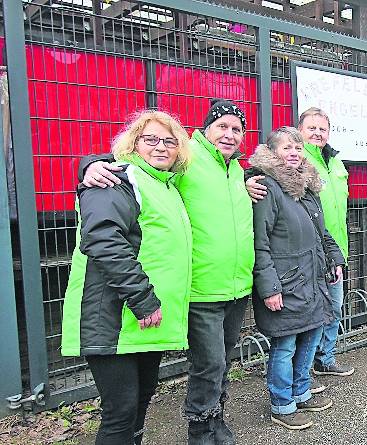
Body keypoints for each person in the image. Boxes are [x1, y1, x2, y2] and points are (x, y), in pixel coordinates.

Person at [80, 99, 254, 444]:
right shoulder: (187, 161)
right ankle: (201, 428)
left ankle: (216, 420)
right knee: (208, 366)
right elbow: (128, 170)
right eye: (222, 126)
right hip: (201, 288)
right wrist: (91, 164)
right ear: (204, 130)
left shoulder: (236, 171)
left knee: (219, 366)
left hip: (235, 285)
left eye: (237, 129)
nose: (229, 134)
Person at [61, 110, 192, 445]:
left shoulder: (165, 185)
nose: (161, 147)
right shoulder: (116, 180)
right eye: (151, 139)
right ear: (133, 143)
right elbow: (103, 241)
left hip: (144, 320)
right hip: (117, 316)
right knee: (119, 412)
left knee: (140, 400)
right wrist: (143, 299)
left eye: (169, 141)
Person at [248, 107, 354, 388]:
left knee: (321, 322)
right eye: (288, 147)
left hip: (320, 261)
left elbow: (322, 227)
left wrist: (335, 256)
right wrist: (270, 287)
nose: (294, 152)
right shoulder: (266, 186)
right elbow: (261, 241)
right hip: (290, 273)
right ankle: (285, 398)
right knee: (288, 340)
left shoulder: (319, 176)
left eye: (323, 128)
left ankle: (309, 377)